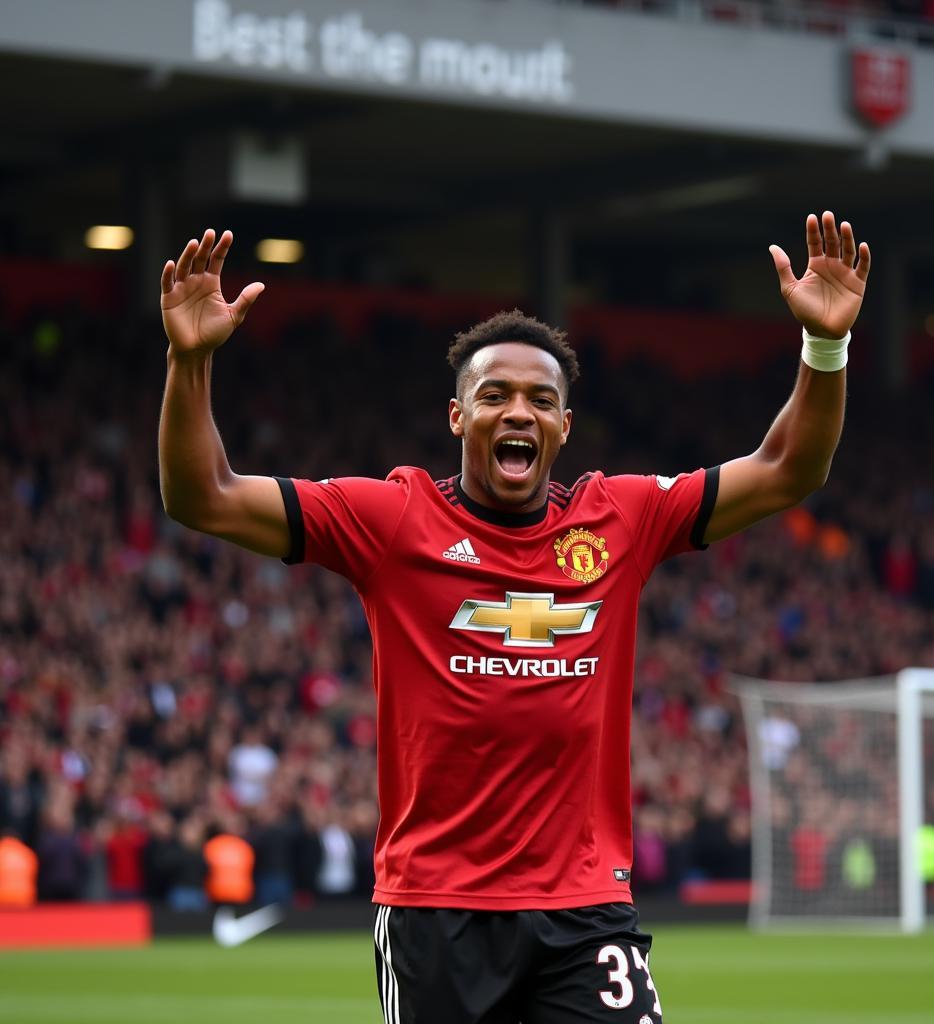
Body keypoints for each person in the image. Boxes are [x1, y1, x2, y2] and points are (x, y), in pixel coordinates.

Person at [159, 212, 870, 1023]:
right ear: (459, 418)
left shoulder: (621, 520)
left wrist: (825, 350)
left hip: (585, 908)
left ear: (565, 425)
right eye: (493, 395)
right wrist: (190, 359)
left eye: (541, 398)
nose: (519, 412)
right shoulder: (391, 520)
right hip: (437, 909)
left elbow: (788, 469)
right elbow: (201, 497)